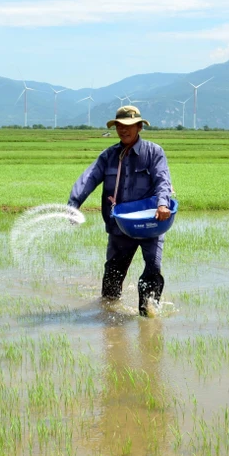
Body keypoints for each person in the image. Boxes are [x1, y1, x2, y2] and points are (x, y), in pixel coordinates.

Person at [68, 105, 172, 316]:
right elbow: (89, 178)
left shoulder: (153, 153)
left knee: (153, 268)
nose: (124, 130)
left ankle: (148, 314)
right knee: (114, 271)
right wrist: (73, 205)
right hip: (120, 227)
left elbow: (163, 180)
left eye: (129, 126)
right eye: (119, 126)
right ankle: (108, 311)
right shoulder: (109, 156)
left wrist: (163, 204)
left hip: (150, 223)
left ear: (139, 127)